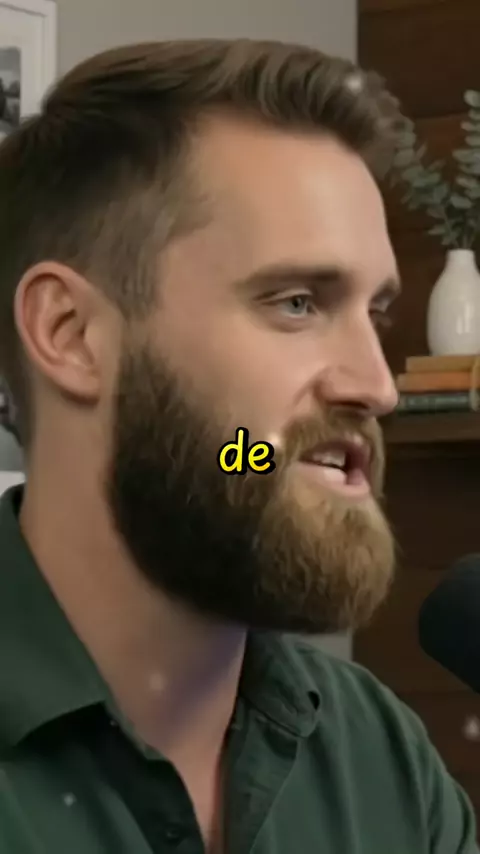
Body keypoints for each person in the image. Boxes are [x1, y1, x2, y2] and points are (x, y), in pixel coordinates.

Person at [0, 39, 476, 854]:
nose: (377, 386)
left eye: (376, 313)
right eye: (297, 303)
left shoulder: (382, 760)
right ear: (71, 334)